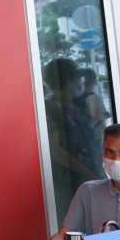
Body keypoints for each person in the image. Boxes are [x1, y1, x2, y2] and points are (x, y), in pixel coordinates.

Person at [43, 58, 102, 226]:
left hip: (90, 177)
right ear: (69, 81)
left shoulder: (78, 105)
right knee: (71, 228)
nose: (79, 83)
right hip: (68, 182)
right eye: (76, 79)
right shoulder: (50, 108)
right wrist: (83, 171)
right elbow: (55, 148)